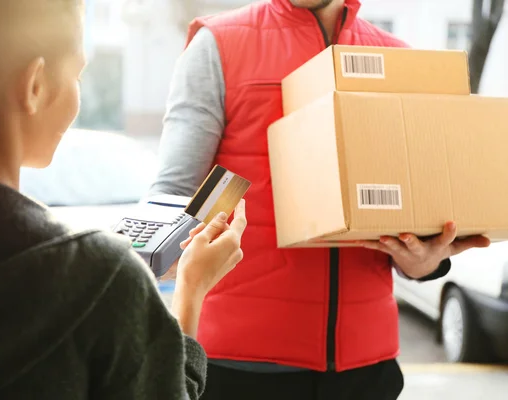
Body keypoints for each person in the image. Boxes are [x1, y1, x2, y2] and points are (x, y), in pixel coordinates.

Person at [148, 0, 491, 399]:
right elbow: (171, 196)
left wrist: (423, 262)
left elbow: (416, 205)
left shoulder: (397, 58)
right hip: (240, 367)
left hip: (366, 370)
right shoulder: (218, 44)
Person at [0, 1, 247, 399]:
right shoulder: (99, 278)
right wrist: (192, 289)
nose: (78, 95)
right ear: (34, 86)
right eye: (79, 76)